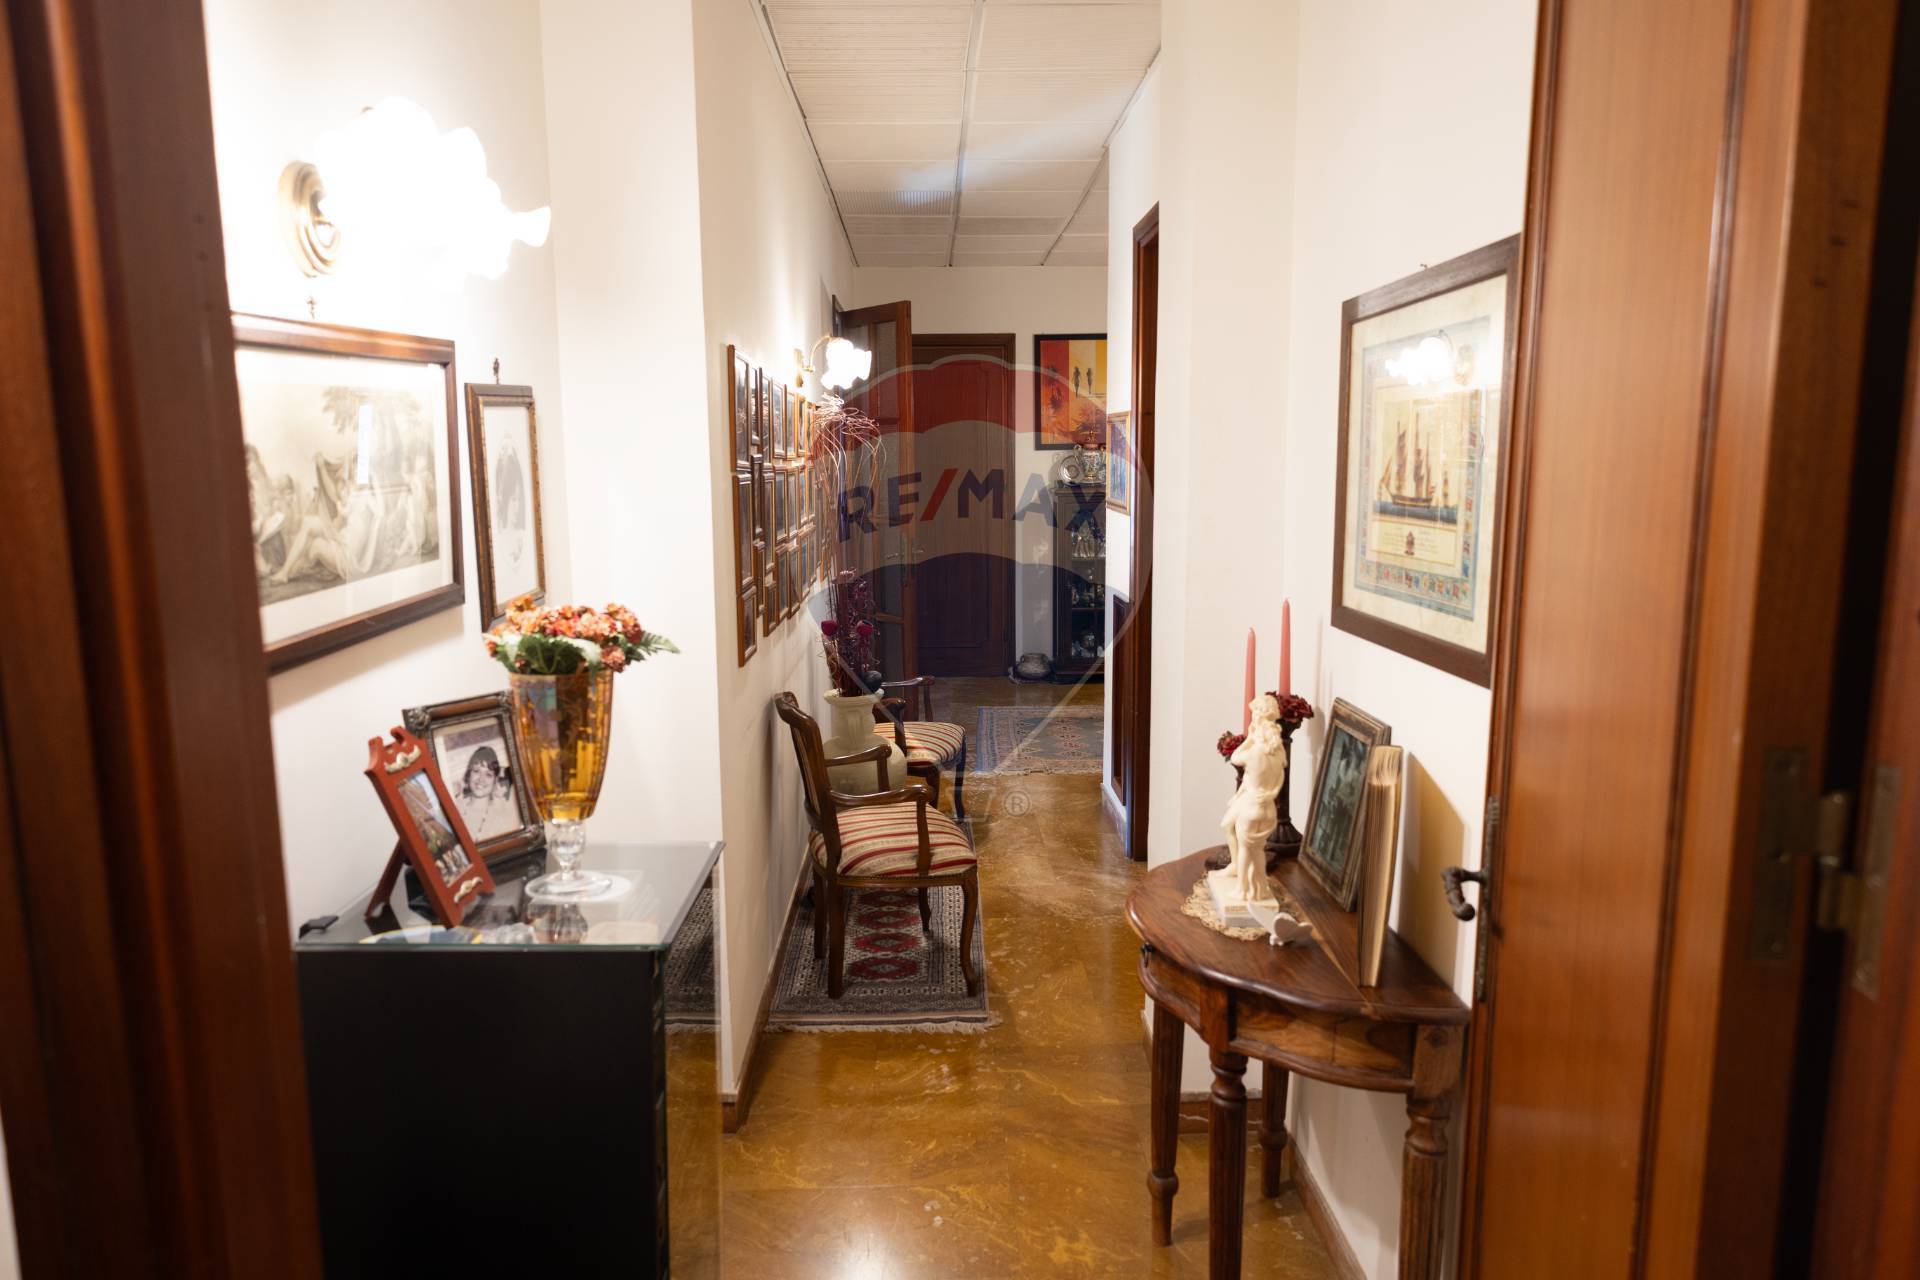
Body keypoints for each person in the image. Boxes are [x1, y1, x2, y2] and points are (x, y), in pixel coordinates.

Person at [455, 744, 515, 842]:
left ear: (495, 780)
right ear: (469, 774)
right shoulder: (456, 806)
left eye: (488, 774)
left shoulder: (502, 815)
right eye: (476, 771)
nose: (481, 779)